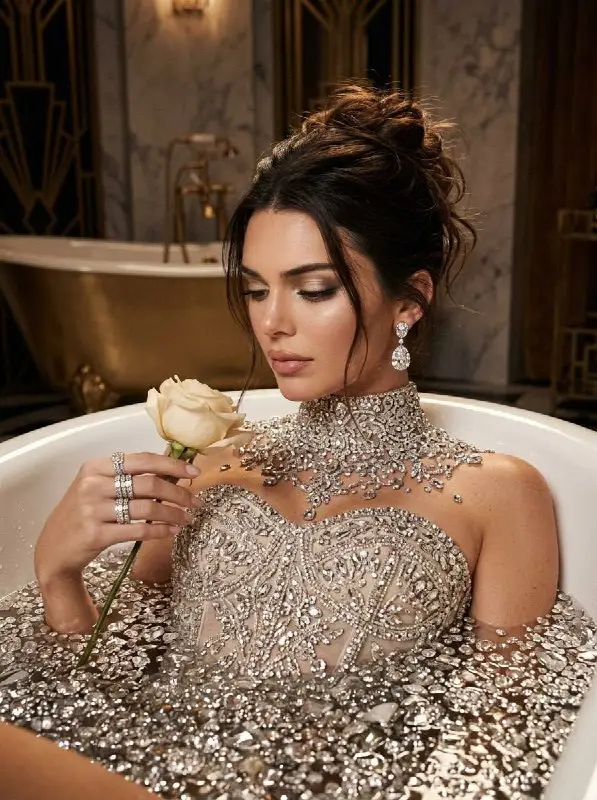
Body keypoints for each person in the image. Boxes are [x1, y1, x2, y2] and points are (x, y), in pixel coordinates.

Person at [0, 85, 595, 799]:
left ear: (408, 300)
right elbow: (90, 696)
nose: (272, 323)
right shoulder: (210, 465)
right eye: (255, 290)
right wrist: (58, 571)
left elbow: (502, 735)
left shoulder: (499, 493)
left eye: (312, 290)